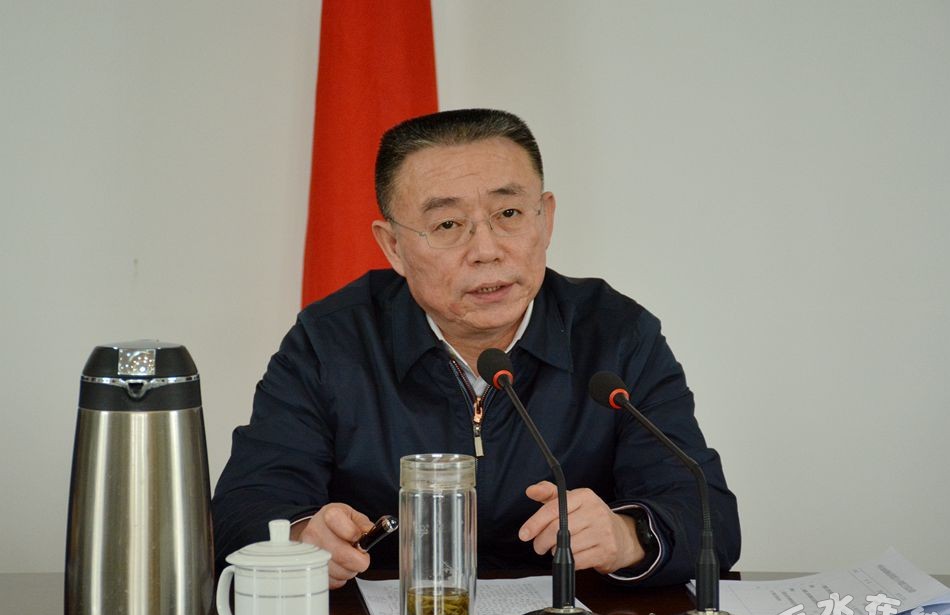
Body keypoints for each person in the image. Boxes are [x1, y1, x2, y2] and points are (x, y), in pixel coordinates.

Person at [211, 108, 740, 590]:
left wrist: (627, 537)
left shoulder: (616, 334)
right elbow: (244, 506)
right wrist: (302, 538)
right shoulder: (332, 341)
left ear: (545, 218)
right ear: (393, 246)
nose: (486, 250)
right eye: (447, 225)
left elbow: (706, 512)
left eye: (508, 213)